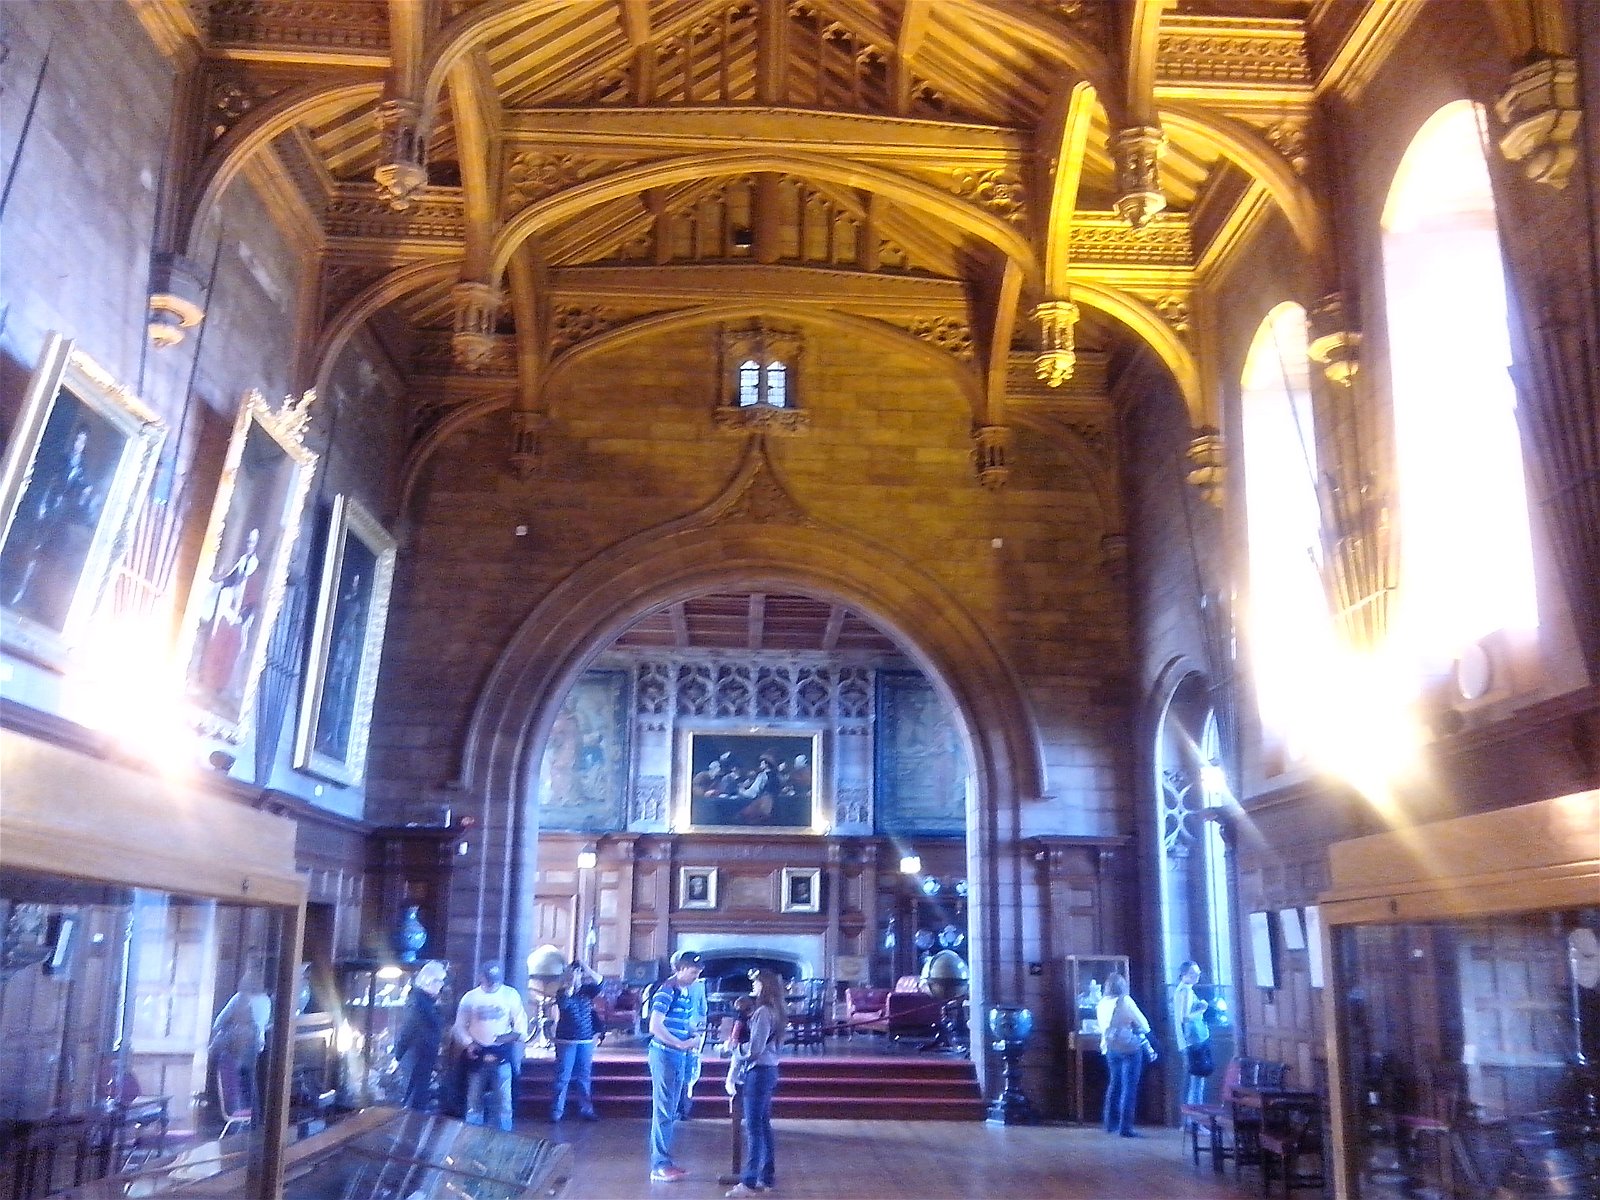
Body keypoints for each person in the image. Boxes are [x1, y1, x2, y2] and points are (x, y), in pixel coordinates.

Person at [725, 969, 787, 1197]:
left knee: (753, 1128)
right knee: (763, 1125)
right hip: (770, 1070)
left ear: (765, 986)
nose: (753, 986)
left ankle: (749, 1182)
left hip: (758, 1072)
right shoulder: (778, 1011)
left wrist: (732, 1048)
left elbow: (754, 1051)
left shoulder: (762, 1012)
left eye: (757, 983)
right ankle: (766, 1176)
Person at [646, 950, 704, 1183]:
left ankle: (665, 1161)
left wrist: (693, 1034)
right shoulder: (666, 991)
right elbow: (655, 1026)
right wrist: (681, 1043)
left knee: (670, 1110)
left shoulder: (686, 991)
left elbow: (680, 1022)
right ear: (679, 969)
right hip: (665, 1055)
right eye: (692, 971)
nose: (696, 976)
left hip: (678, 1055)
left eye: (699, 972)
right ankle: (659, 1164)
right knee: (662, 1111)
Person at [453, 962, 529, 1131]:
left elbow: (520, 1025)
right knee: (474, 1102)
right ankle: (472, 1136)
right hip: (477, 1053)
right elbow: (459, 1026)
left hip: (501, 1052)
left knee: (504, 1103)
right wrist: (468, 1043)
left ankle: (504, 1138)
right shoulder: (470, 998)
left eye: (495, 980)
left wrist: (510, 1036)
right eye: (489, 980)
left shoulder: (510, 995)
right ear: (481, 977)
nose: (493, 983)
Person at [209, 967, 271, 1120]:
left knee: (234, 1084)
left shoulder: (241, 998)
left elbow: (218, 1022)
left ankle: (237, 1118)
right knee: (251, 1083)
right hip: (257, 1045)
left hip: (238, 1046)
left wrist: (225, 1030)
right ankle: (254, 1119)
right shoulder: (266, 1000)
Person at [1097, 971, 1152, 1138]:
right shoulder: (1125, 1001)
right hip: (1129, 1047)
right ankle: (1125, 1127)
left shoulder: (1101, 1003)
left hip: (1110, 1047)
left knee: (1114, 1084)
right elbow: (1144, 1024)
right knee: (1129, 1087)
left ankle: (1109, 1123)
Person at [550, 960, 603, 1122]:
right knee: (563, 1077)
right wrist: (570, 983)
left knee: (583, 1077)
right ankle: (557, 1112)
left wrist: (587, 968)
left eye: (578, 973)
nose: (577, 975)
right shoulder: (562, 992)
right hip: (566, 1041)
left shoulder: (587, 990)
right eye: (574, 972)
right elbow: (564, 1005)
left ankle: (586, 1109)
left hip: (585, 1040)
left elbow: (600, 982)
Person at [394, 960, 448, 1110]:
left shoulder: (426, 1002)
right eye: (439, 981)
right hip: (416, 1057)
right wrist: (398, 1053)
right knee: (413, 1102)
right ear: (429, 981)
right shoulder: (418, 1002)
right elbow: (408, 1029)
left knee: (417, 1100)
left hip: (422, 1057)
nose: (442, 985)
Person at [1173, 960, 1212, 1113]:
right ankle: (1195, 1119)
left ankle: (1190, 1120)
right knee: (1196, 1082)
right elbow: (1186, 1017)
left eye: (1198, 973)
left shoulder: (1181, 990)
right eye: (1192, 973)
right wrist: (1202, 1008)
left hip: (1187, 1041)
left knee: (1192, 1080)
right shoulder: (1186, 991)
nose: (1196, 976)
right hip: (1193, 1040)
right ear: (1183, 975)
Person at [677, 968, 709, 1120]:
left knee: (683, 1069)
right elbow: (703, 1010)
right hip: (692, 1029)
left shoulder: (671, 984)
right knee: (691, 1068)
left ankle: (680, 1107)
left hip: (682, 1030)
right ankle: (685, 1107)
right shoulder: (699, 986)